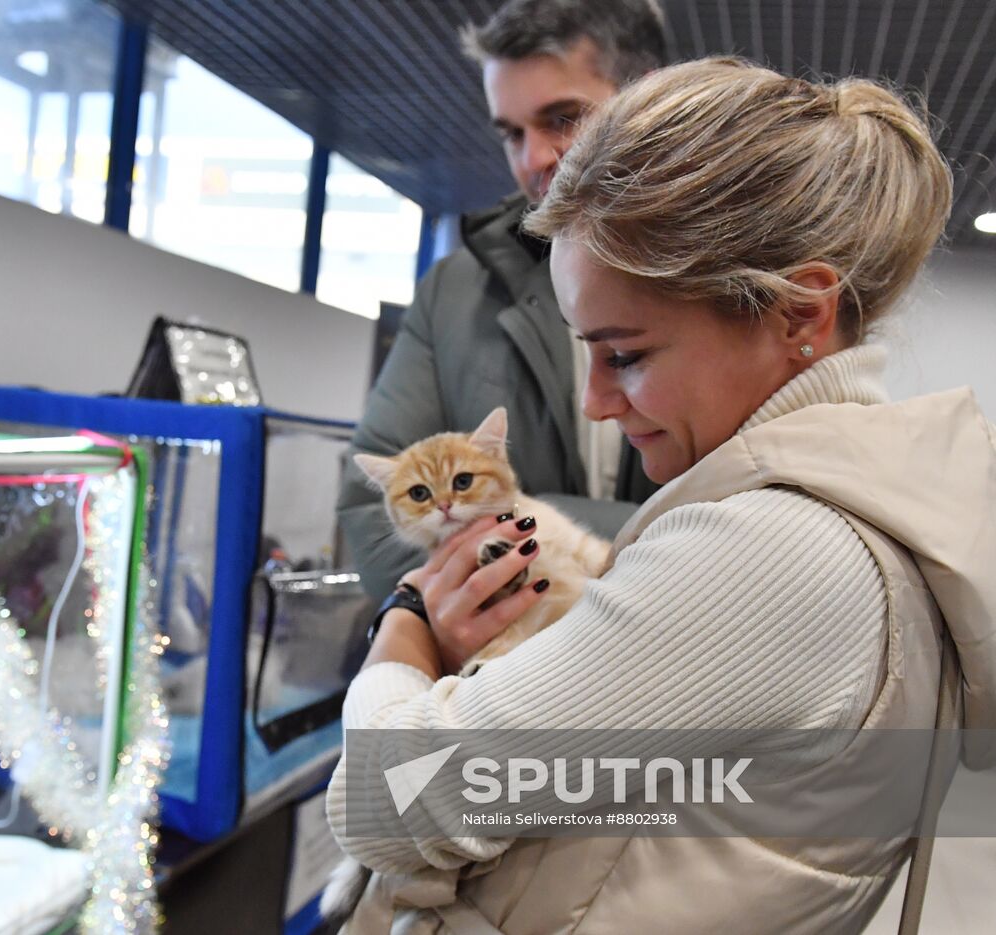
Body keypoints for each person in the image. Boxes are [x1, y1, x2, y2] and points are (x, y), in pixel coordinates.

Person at [325, 58, 996, 934]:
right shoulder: (866, 512)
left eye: (628, 354)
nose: (596, 402)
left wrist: (404, 626)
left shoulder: (773, 553)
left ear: (799, 313)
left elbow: (388, 798)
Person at [337, 0, 666, 600]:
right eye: (512, 133)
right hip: (493, 666)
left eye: (564, 118)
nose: (534, 158)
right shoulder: (456, 290)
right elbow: (368, 502)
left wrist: (523, 518)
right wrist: (420, 615)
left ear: (647, 99)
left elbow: (767, 524)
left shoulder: (737, 272)